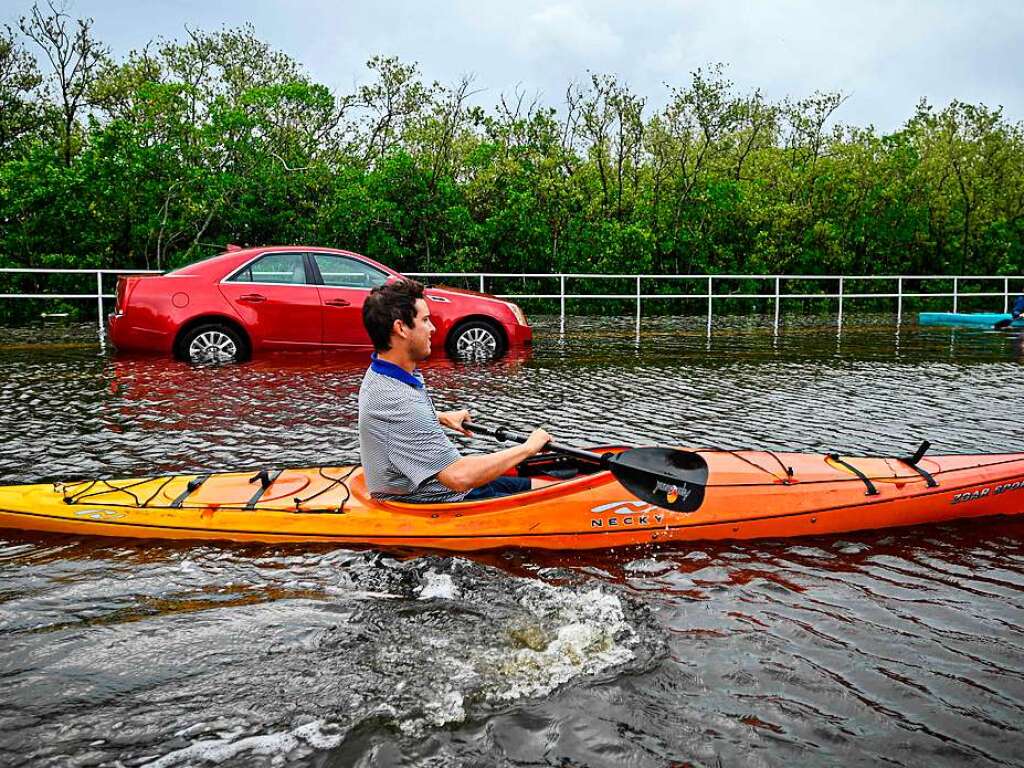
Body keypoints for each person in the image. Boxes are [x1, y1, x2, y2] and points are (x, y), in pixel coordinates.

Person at [358, 279, 551, 503]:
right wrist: (529, 447)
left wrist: (436, 417)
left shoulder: (382, 373)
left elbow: (391, 422)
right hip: (441, 499)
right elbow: (458, 476)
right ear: (401, 328)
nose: (433, 328)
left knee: (550, 484)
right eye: (425, 320)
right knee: (556, 496)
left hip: (441, 487)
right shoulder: (397, 401)